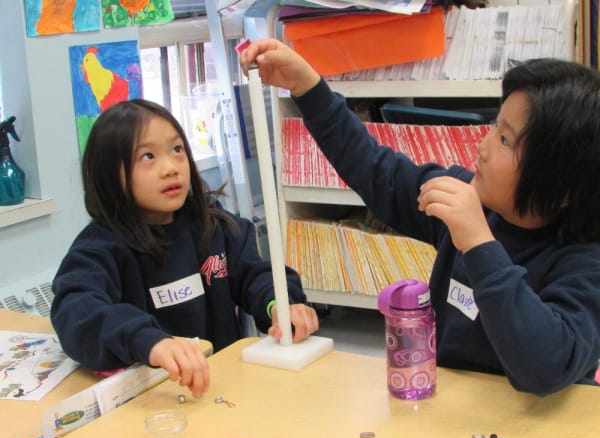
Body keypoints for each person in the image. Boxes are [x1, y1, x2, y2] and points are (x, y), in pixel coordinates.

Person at [240, 39, 600, 396]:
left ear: (562, 184)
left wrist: (478, 242)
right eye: (494, 125)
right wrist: (308, 87)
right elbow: (373, 168)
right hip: (455, 417)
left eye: (505, 139)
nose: (484, 145)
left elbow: (547, 367)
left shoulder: (585, 261)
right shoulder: (465, 197)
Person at [51, 98, 319, 397]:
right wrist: (149, 341)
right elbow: (76, 311)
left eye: (177, 150)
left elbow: (256, 274)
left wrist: (280, 304)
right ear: (112, 174)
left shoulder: (212, 223)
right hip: (151, 402)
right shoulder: (100, 247)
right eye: (148, 156)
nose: (170, 168)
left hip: (221, 389)